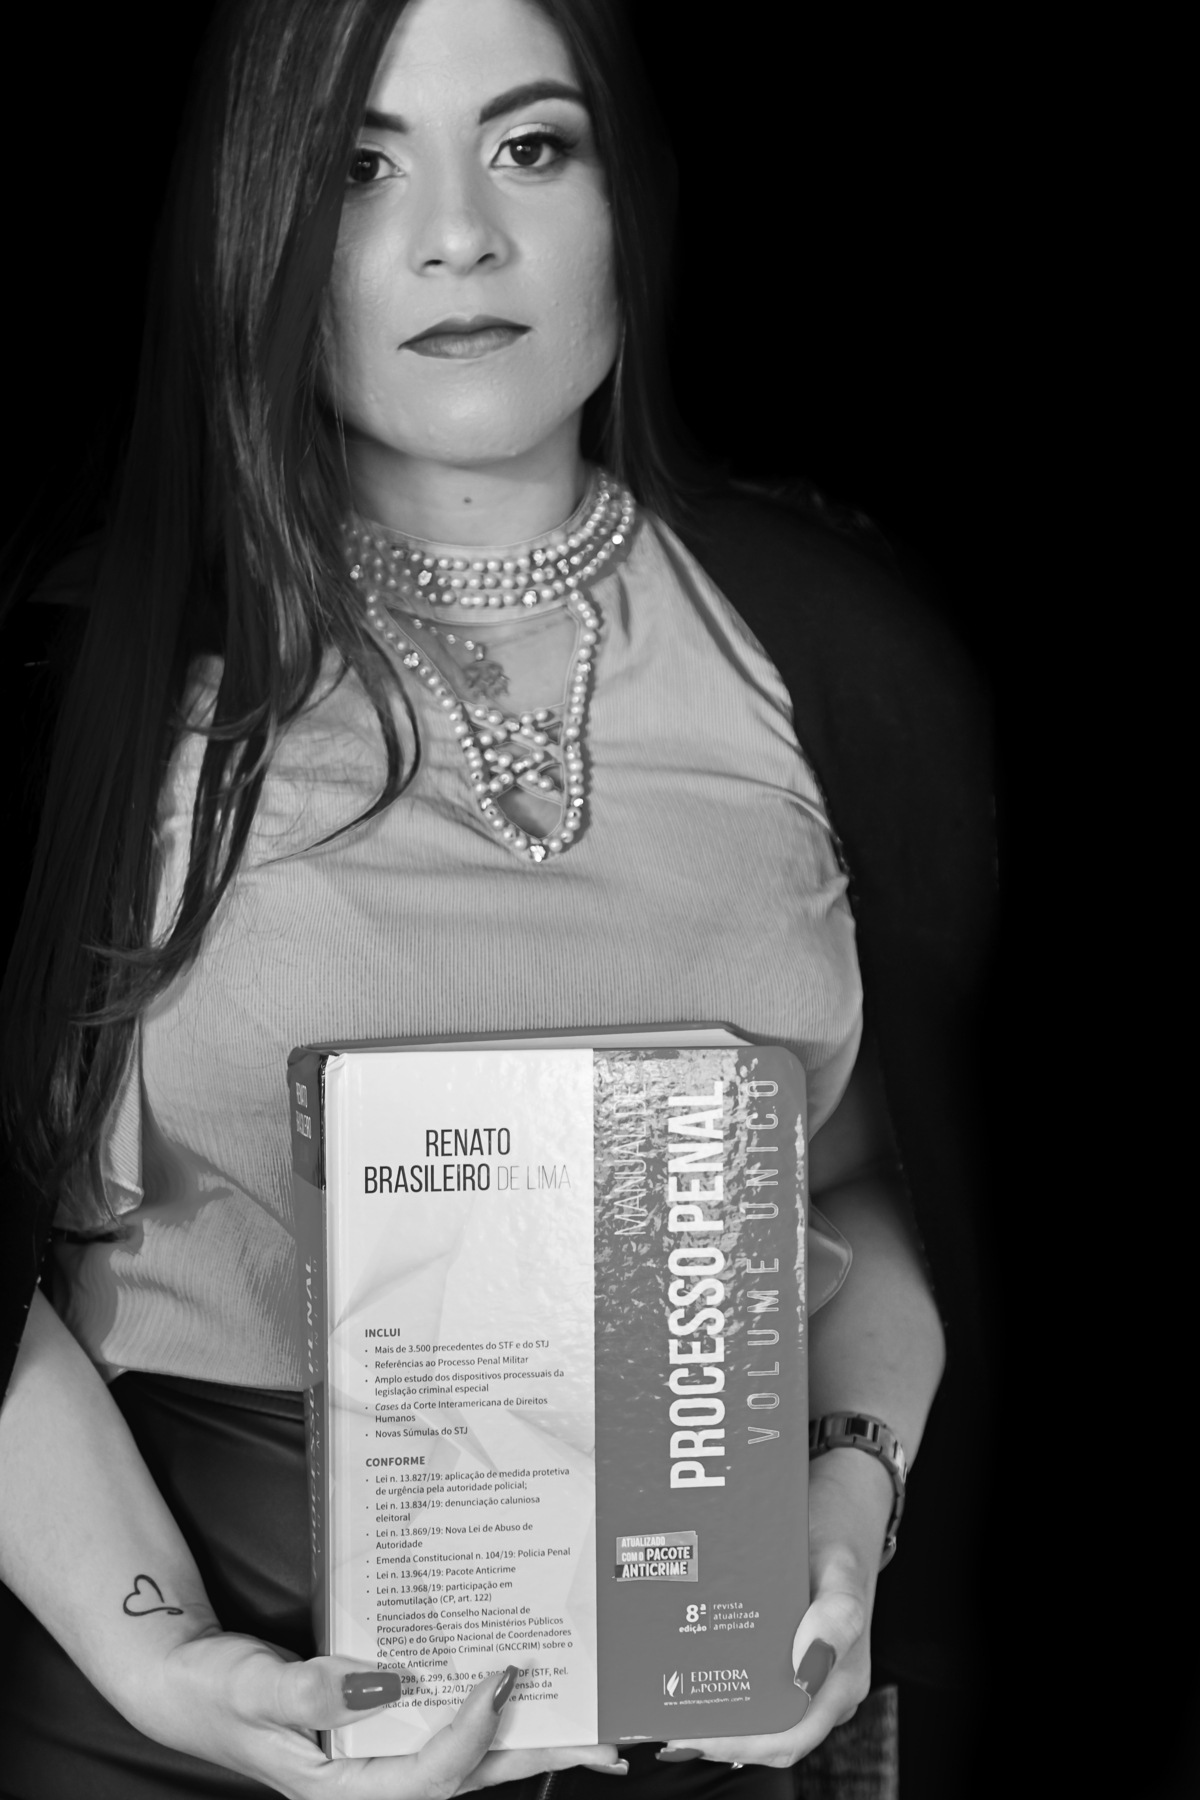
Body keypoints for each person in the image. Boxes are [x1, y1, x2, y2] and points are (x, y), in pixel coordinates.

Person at [0, 1, 990, 1795]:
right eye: (357, 169)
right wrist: (163, 1657)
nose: (459, 233)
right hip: (192, 1683)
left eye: (531, 146)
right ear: (254, 225)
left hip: (708, 1677)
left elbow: (862, 1183)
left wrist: (849, 1497)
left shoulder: (834, 652)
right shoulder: (92, 672)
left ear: (632, 202)